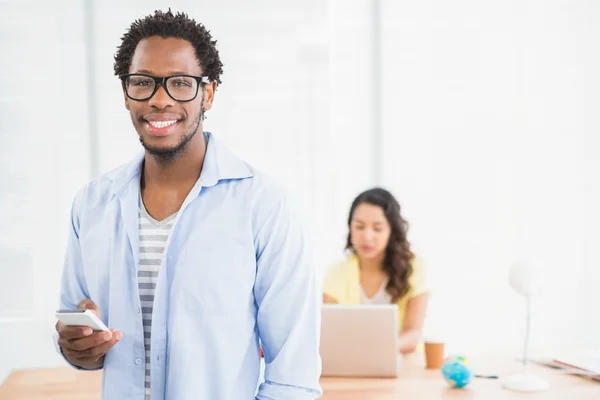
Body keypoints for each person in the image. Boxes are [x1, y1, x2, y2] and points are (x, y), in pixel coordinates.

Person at [53, 9, 322, 400]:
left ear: (208, 93)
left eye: (180, 83)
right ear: (126, 94)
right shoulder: (92, 204)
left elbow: (293, 376)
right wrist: (78, 349)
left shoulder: (264, 206)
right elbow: (77, 337)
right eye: (143, 83)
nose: (160, 100)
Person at [323, 188, 429, 354]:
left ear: (391, 231)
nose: (367, 236)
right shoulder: (336, 273)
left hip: (403, 364)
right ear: (350, 228)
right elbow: (330, 333)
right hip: (351, 363)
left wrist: (377, 350)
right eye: (359, 226)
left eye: (377, 228)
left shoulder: (414, 267)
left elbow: (413, 334)